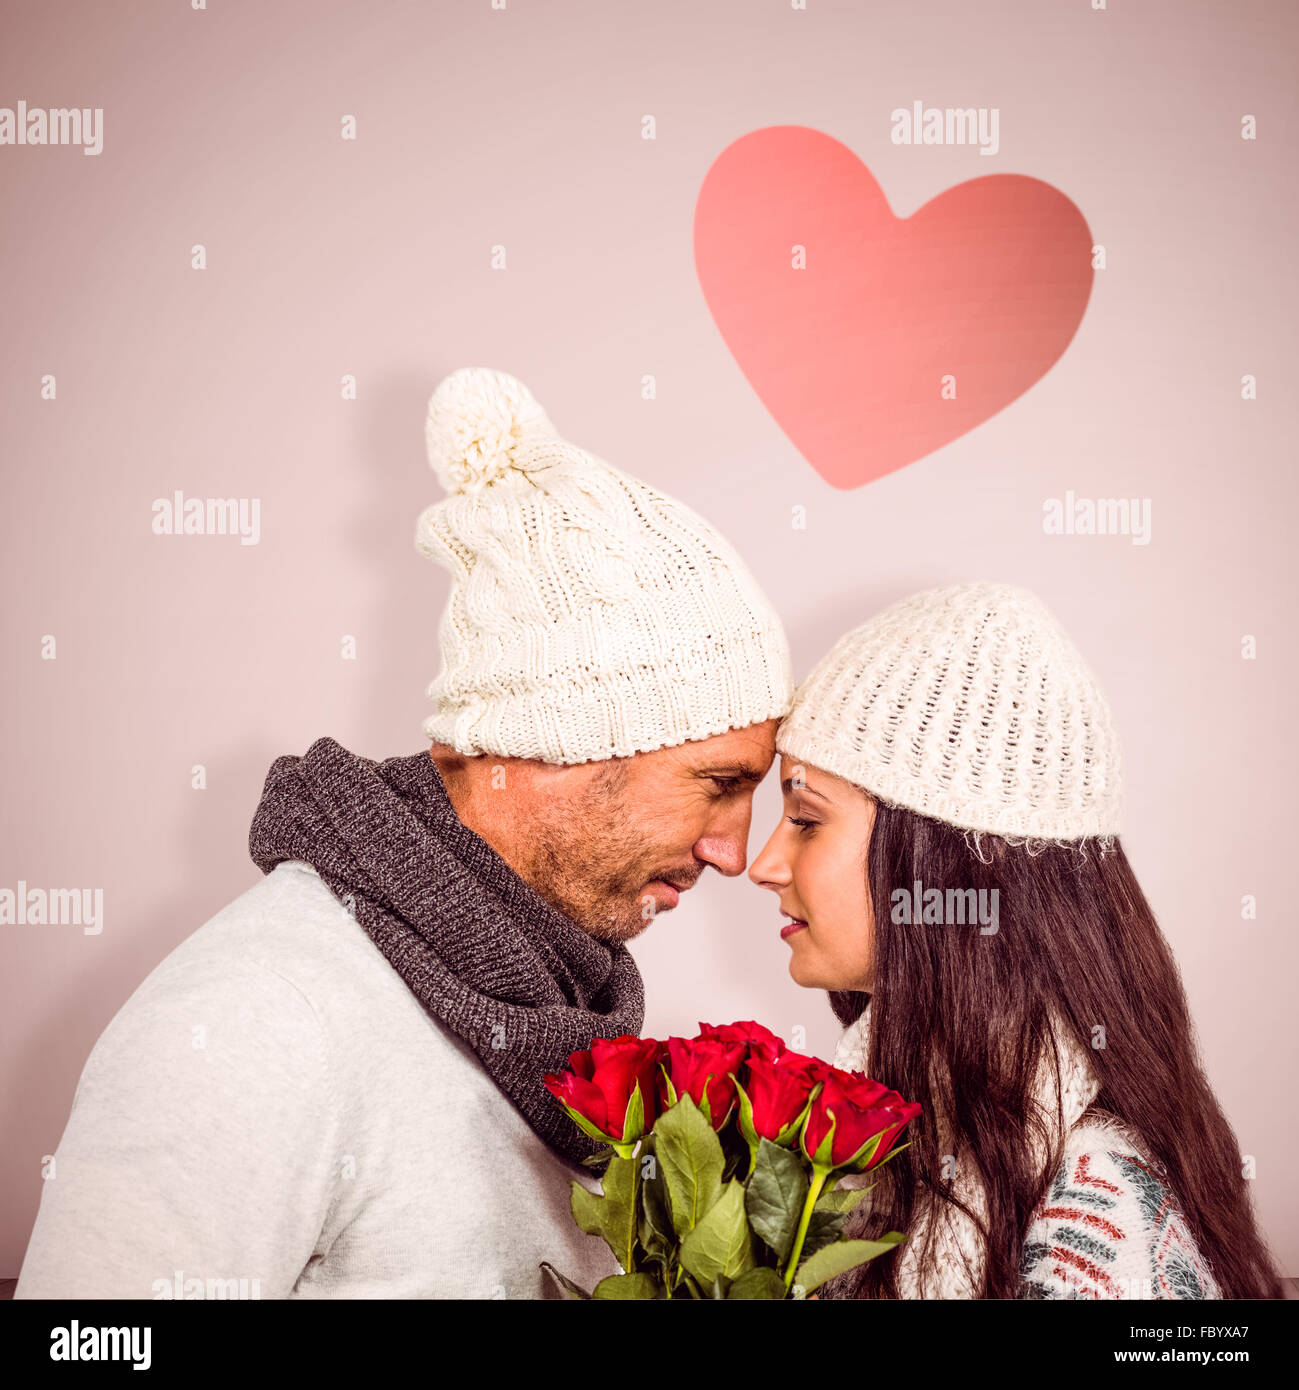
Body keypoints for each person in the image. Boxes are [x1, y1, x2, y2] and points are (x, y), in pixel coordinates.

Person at [15, 366, 792, 1300]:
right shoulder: (258, 1016)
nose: (732, 851)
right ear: (560, 743)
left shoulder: (562, 1009)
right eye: (717, 784)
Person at [749, 580, 1283, 1300]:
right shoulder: (898, 1135)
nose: (763, 863)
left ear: (937, 860)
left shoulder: (1099, 1224)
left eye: (806, 819)